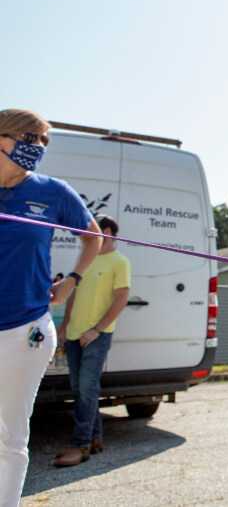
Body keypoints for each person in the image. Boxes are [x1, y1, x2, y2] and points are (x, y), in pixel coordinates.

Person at [0, 109, 101, 505]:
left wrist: (71, 281)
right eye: (30, 139)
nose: (38, 149)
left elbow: (91, 237)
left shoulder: (52, 192)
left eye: (44, 142)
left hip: (24, 329)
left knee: (10, 435)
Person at [53, 215, 132, 467]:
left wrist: (96, 330)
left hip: (97, 335)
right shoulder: (86, 261)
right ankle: (95, 437)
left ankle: (81, 444)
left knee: (87, 388)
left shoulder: (120, 262)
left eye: (90, 232)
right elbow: (74, 296)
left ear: (106, 232)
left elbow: (121, 299)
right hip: (75, 333)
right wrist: (65, 326)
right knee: (80, 389)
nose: (85, 238)